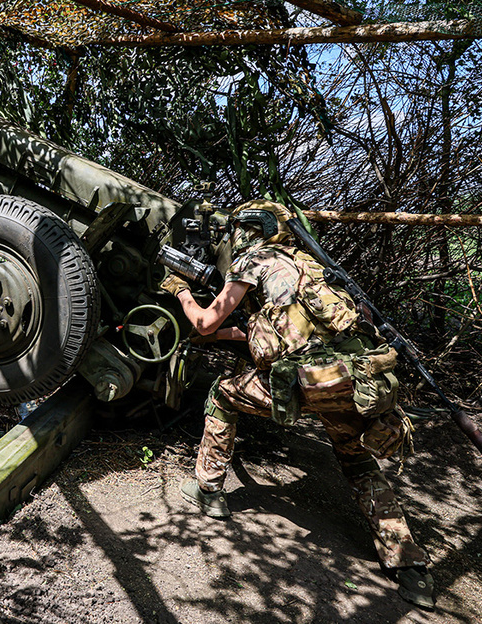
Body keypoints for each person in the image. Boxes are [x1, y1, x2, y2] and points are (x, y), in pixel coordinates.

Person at [159, 200, 435, 609]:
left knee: (223, 394)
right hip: (349, 381)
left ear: (248, 231)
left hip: (302, 385)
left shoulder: (253, 260)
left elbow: (204, 321)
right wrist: (224, 337)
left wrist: (179, 290)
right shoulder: (313, 267)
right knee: (359, 464)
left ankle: (208, 489)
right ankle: (412, 571)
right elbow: (285, 330)